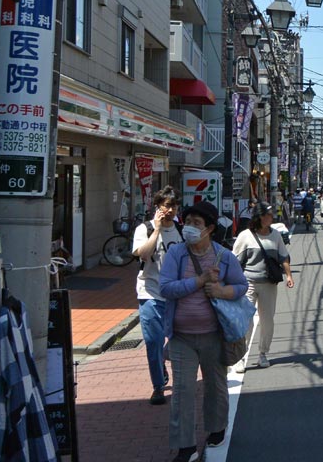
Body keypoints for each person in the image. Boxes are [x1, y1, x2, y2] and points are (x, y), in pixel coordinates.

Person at [159, 201, 248, 462]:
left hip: (214, 333)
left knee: (216, 386)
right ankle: (185, 447)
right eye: (188, 222)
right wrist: (199, 281)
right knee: (182, 391)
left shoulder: (224, 256)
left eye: (197, 224)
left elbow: (241, 286)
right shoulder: (177, 254)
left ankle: (217, 428)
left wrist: (221, 291)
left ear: (209, 228)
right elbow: (166, 288)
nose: (190, 228)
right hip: (181, 336)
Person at [131, 186, 183, 405]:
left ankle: (165, 363)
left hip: (177, 294)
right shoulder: (144, 229)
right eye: (165, 206)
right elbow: (143, 255)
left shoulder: (181, 230)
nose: (169, 210)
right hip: (150, 293)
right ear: (158, 207)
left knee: (179, 339)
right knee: (153, 341)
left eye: (173, 206)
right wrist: (157, 230)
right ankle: (158, 386)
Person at [231, 202, 294, 373]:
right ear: (259, 217)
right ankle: (240, 357)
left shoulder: (276, 236)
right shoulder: (245, 236)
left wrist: (288, 275)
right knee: (246, 321)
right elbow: (235, 261)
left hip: (269, 284)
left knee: (268, 321)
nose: (271, 217)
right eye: (267, 214)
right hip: (248, 283)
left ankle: (263, 353)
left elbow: (283, 257)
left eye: (271, 214)